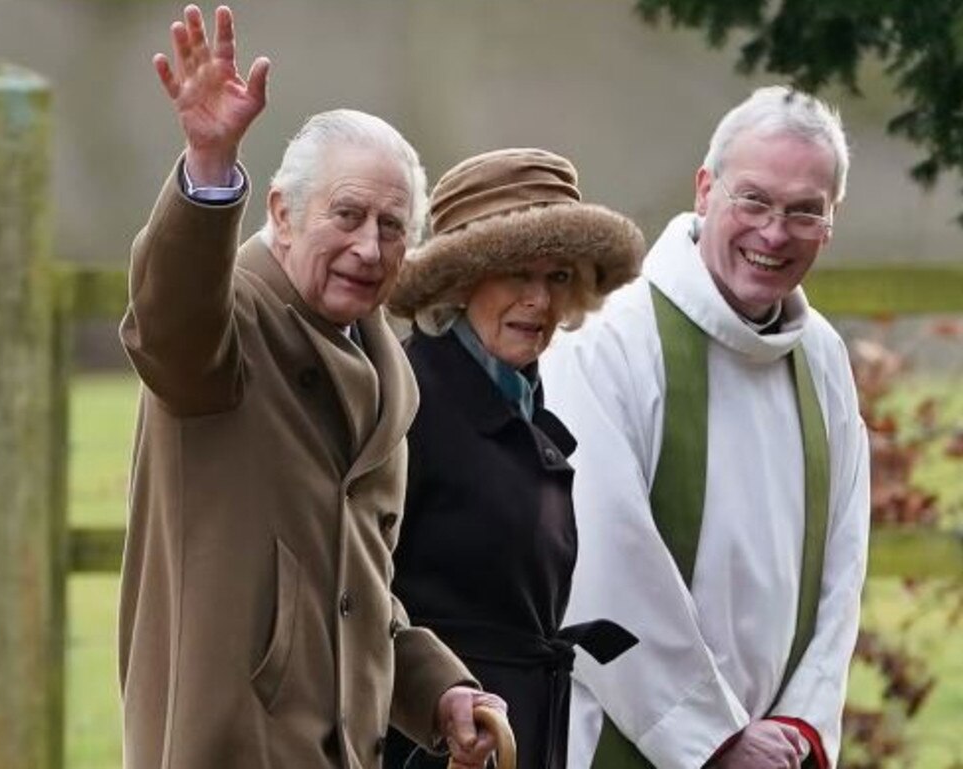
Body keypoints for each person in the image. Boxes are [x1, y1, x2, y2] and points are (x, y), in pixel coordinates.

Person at [118, 6, 505, 768]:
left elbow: (353, 586)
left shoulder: (386, 372)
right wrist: (206, 169)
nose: (369, 246)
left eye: (392, 227)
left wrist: (438, 690)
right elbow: (168, 324)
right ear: (282, 215)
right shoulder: (230, 327)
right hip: (224, 743)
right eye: (348, 215)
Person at [542, 86, 871, 769]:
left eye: (804, 210)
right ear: (704, 190)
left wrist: (800, 724)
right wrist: (714, 737)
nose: (774, 233)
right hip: (628, 737)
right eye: (753, 199)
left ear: (830, 221)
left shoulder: (823, 360)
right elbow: (595, 555)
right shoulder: (608, 339)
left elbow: (846, 563)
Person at [381, 148, 644, 769]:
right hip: (436, 742)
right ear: (462, 281)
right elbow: (360, 596)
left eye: (557, 278)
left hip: (515, 728)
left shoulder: (519, 396)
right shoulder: (409, 402)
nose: (540, 301)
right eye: (517, 275)